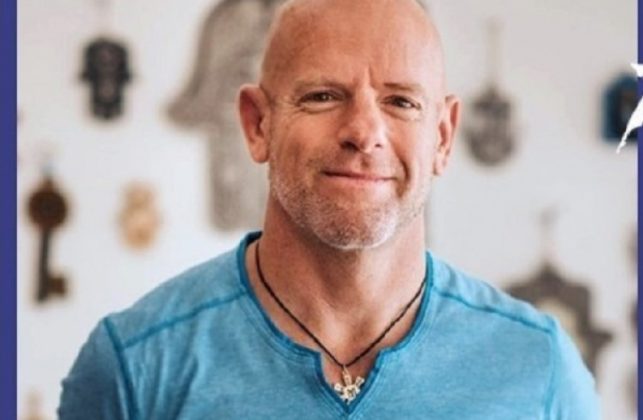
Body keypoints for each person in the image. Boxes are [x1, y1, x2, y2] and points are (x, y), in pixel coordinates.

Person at [58, 0, 600, 418]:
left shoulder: (540, 366)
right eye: (322, 96)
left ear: (442, 136)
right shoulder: (134, 367)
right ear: (257, 124)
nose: (364, 132)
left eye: (401, 101)